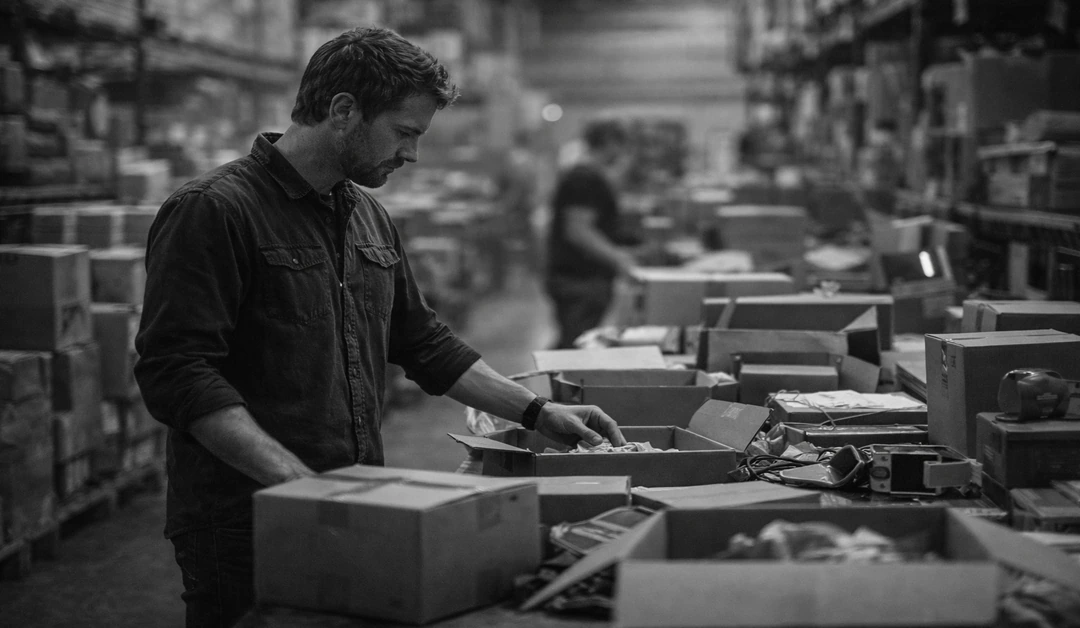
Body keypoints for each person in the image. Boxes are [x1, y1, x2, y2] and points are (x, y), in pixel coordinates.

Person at [134, 27, 626, 628]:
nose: (412, 154)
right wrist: (298, 484)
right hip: (247, 516)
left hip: (353, 499)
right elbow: (177, 371)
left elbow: (420, 340)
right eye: (405, 132)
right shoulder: (214, 210)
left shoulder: (366, 214)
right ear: (344, 111)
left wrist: (537, 412)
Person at [545, 119, 637, 349]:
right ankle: (563, 385)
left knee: (576, 340)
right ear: (607, 142)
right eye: (621, 144)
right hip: (579, 280)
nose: (623, 152)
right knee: (576, 345)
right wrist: (618, 258)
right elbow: (578, 230)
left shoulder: (589, 176)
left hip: (582, 279)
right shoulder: (584, 179)